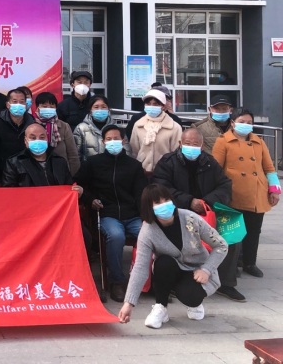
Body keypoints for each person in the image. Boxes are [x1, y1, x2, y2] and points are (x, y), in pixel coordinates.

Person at [118, 184, 227, 329]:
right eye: (158, 203)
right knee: (162, 262)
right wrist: (128, 303)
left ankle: (195, 304)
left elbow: (221, 245)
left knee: (191, 297)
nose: (164, 205)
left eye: (166, 200)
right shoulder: (147, 231)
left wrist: (207, 269)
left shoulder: (190, 218)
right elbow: (140, 268)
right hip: (171, 268)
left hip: (198, 271)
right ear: (149, 208)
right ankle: (160, 307)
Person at [151, 128, 237, 300]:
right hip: (177, 213)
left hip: (206, 212)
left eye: (195, 144)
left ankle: (226, 283)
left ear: (202, 146)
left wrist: (206, 202)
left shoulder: (210, 162)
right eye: (187, 143)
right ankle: (174, 281)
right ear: (180, 144)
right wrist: (189, 201)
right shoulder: (167, 162)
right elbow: (161, 187)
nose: (191, 147)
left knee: (232, 236)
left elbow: (225, 186)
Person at [74, 125, 147, 302]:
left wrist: (145, 217)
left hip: (133, 215)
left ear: (124, 141)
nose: (113, 142)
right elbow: (79, 185)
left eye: (116, 139)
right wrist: (91, 199)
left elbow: (141, 193)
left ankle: (148, 281)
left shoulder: (134, 165)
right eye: (109, 139)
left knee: (148, 235)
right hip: (107, 214)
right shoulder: (93, 163)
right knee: (116, 236)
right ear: (103, 141)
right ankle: (117, 281)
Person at [212, 109, 280, 286]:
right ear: (233, 122)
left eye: (249, 122)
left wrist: (274, 189)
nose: (246, 125)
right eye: (242, 121)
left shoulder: (259, 141)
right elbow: (216, 170)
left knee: (253, 230)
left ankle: (250, 262)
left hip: (257, 193)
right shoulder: (222, 141)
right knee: (234, 232)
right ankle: (233, 264)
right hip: (234, 194)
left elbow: (269, 168)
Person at [1, 123, 82, 191]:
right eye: (33, 138)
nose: (38, 140)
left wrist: (77, 192)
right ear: (25, 141)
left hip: (56, 204)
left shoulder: (59, 161)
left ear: (47, 139)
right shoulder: (14, 163)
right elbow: (8, 193)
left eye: (42, 137)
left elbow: (69, 187)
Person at [0, 87, 35, 187]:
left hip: (28, 177)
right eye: (15, 101)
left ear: (26, 105)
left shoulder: (32, 124)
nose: (18, 104)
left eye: (21, 102)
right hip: (3, 177)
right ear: (8, 105)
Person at [129, 89, 182, 174]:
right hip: (141, 171)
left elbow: (176, 152)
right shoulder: (138, 125)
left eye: (155, 104)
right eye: (148, 104)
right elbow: (134, 150)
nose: (151, 106)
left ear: (163, 106)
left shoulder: (174, 127)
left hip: (165, 172)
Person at [33, 91, 80, 175]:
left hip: (61, 172)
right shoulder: (31, 126)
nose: (48, 109)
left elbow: (72, 154)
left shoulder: (64, 126)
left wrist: (71, 176)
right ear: (37, 108)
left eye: (52, 107)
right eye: (44, 106)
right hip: (37, 172)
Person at [73, 95, 114, 165]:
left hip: (111, 169)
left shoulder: (116, 128)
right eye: (96, 107)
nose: (100, 110)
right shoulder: (81, 128)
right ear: (90, 110)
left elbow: (126, 150)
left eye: (103, 107)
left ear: (108, 109)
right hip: (89, 169)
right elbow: (75, 154)